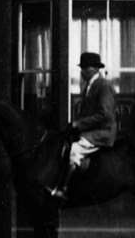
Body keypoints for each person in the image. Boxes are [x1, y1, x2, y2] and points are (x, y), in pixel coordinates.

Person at [50, 51, 118, 201]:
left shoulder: (103, 85)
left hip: (103, 132)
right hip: (92, 130)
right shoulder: (89, 85)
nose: (81, 72)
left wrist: (78, 124)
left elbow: (104, 114)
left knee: (74, 150)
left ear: (92, 69)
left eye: (84, 68)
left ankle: (64, 189)